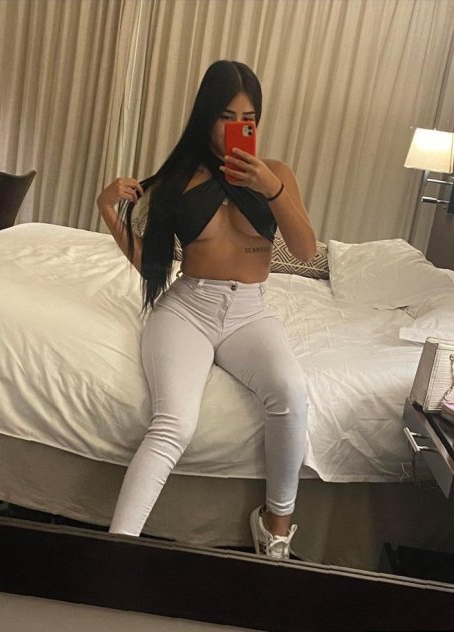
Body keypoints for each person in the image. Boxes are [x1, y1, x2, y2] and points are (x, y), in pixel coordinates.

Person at [97, 60, 316, 560]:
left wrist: (271, 189)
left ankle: (274, 530)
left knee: (291, 393)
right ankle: (115, 552)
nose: (237, 127)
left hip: (249, 313)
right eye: (225, 116)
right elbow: (151, 264)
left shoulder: (277, 174)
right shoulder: (179, 178)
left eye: (248, 118)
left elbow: (305, 250)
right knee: (174, 424)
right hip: (188, 310)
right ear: (205, 117)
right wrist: (108, 210)